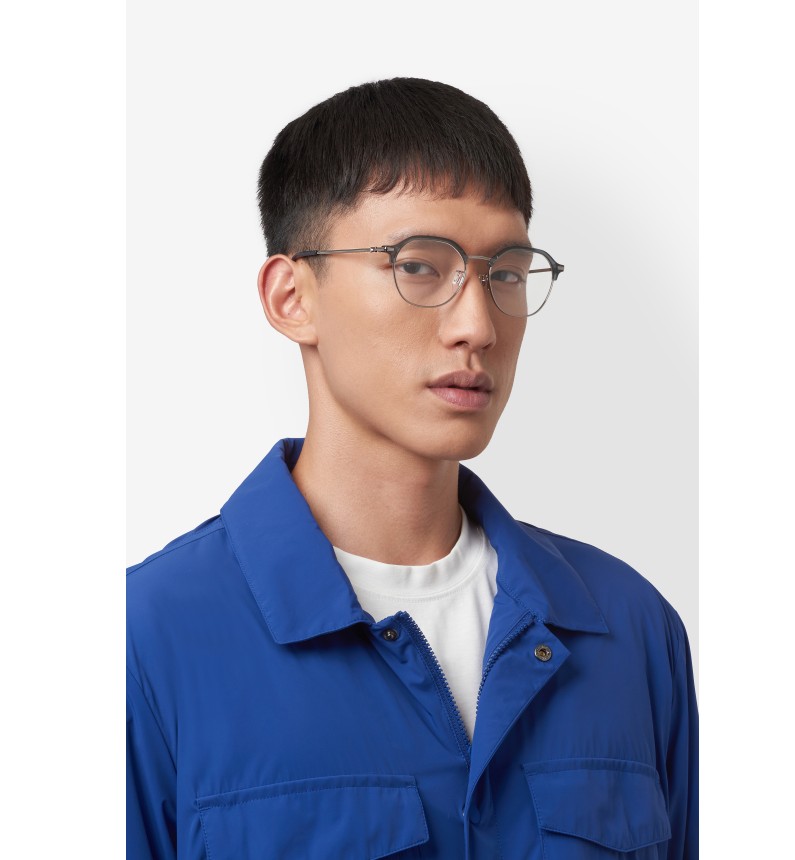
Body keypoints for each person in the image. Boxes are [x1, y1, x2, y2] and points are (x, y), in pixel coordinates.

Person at [126, 77, 698, 859]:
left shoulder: (627, 629)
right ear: (292, 297)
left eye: (505, 272)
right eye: (419, 267)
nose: (477, 326)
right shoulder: (147, 638)